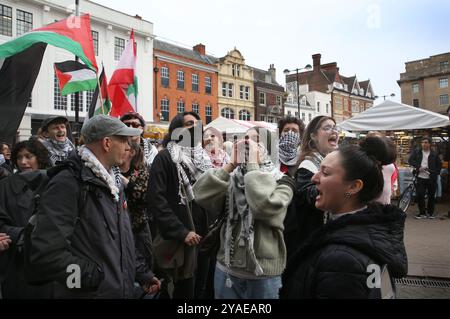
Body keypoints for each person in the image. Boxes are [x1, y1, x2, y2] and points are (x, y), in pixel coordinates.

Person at [26, 115, 159, 298]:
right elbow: (46, 254)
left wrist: (141, 273)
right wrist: (94, 278)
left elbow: (122, 239)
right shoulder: (68, 183)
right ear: (106, 143)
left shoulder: (116, 182)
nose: (129, 147)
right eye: (123, 140)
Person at [281, 137, 408, 299]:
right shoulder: (367, 237)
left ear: (353, 187)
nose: (314, 178)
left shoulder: (342, 259)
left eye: (325, 172)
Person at [193, 127, 295, 299]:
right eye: (245, 139)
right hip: (226, 270)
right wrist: (231, 164)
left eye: (256, 140)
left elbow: (264, 207)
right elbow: (201, 195)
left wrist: (254, 164)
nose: (249, 144)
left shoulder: (283, 181)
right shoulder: (233, 177)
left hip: (263, 275)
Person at [147, 112, 213, 299]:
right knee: (182, 292)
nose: (194, 127)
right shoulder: (165, 158)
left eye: (197, 123)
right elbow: (156, 201)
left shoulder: (203, 158)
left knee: (201, 289)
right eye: (189, 123)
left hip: (203, 236)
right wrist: (181, 232)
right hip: (180, 239)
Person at [0, 138, 52, 298]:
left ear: (39, 158)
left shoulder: (56, 183)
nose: (23, 162)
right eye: (19, 157)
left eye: (28, 156)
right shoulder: (4, 186)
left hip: (50, 261)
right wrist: (23, 236)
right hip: (16, 260)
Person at [283, 116, 340, 261]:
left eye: (335, 127)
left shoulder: (331, 161)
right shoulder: (307, 166)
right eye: (327, 128)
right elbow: (311, 197)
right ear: (313, 136)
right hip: (308, 242)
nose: (333, 131)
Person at [119, 140, 160, 298]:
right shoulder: (110, 170)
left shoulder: (141, 170)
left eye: (125, 147)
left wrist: (127, 183)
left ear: (132, 153)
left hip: (139, 226)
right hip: (119, 227)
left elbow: (146, 196)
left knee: (145, 263)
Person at [408, 136, 442, 219]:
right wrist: (418, 167)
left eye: (426, 142)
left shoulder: (434, 154)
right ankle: (422, 213)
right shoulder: (417, 152)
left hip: (431, 178)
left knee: (431, 196)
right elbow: (410, 160)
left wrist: (436, 173)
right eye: (422, 142)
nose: (424, 144)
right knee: (420, 195)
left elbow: (439, 165)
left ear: (430, 144)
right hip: (420, 177)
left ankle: (430, 213)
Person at [367, 132, 398, 205]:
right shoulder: (364, 161)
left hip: (384, 203)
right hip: (367, 203)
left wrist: (393, 188)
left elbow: (393, 178)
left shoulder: (390, 163)